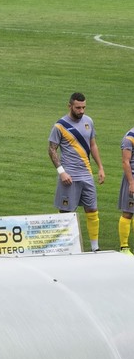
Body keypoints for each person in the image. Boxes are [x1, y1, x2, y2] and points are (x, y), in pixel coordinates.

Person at [48, 92, 105, 252]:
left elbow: (92, 145)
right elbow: (51, 149)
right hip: (69, 176)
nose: (81, 111)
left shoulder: (88, 122)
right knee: (66, 212)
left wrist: (100, 167)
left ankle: (95, 248)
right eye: (78, 108)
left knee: (92, 209)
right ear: (70, 106)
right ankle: (64, 248)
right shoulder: (59, 126)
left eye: (83, 107)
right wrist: (61, 172)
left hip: (86, 174)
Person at [118, 126, 134, 255]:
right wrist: (131, 182)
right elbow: (125, 162)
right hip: (132, 178)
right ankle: (124, 247)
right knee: (128, 212)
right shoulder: (129, 138)